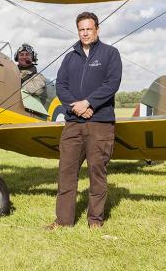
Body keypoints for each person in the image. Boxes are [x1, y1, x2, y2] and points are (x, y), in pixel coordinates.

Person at [49, 12, 122, 229]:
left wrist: (89, 103)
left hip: (100, 123)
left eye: (89, 29)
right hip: (73, 123)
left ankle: (95, 221)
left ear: (97, 29)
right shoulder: (70, 57)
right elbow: (60, 85)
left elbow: (112, 83)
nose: (85, 33)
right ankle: (63, 222)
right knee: (66, 173)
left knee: (96, 173)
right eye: (81, 29)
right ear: (78, 31)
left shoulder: (110, 53)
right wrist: (76, 107)